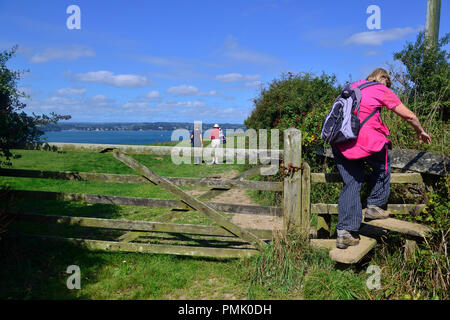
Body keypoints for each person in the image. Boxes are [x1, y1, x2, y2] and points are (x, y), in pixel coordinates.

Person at [332, 68, 432, 249]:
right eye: (389, 83)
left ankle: (345, 233)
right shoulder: (380, 88)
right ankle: (375, 206)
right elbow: (409, 115)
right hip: (365, 139)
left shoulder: (352, 87)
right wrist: (420, 130)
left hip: (340, 141)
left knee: (352, 183)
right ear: (384, 78)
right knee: (383, 164)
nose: (389, 86)